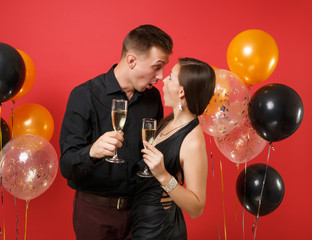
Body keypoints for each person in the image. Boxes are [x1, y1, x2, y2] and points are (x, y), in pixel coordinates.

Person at [59, 24, 173, 240]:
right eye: (157, 67)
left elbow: (153, 153)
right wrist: (92, 151)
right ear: (132, 61)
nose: (161, 76)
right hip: (95, 213)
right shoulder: (85, 95)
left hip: (141, 212)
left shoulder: (153, 98)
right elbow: (66, 166)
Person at [131, 58, 216, 239]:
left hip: (160, 231)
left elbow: (196, 207)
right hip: (141, 224)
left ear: (181, 91)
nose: (163, 80)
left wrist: (163, 175)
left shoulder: (193, 140)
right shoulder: (168, 121)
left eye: (170, 77)